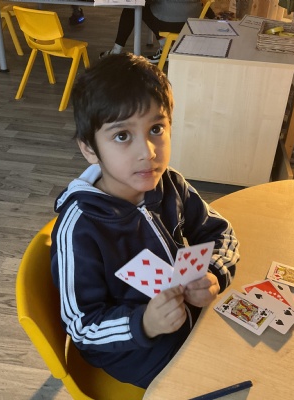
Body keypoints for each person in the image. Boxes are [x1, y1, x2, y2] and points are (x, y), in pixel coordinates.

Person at [50, 53, 239, 389]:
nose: (148, 152)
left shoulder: (170, 184)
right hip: (136, 352)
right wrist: (144, 323)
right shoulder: (80, 228)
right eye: (122, 136)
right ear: (89, 149)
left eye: (156, 129)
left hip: (194, 319)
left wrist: (213, 274)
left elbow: (222, 233)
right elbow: (82, 327)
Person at [100, 0, 211, 63]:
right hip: (192, 21)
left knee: (131, 8)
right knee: (156, 8)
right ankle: (165, 47)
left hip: (168, 21)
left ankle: (116, 51)